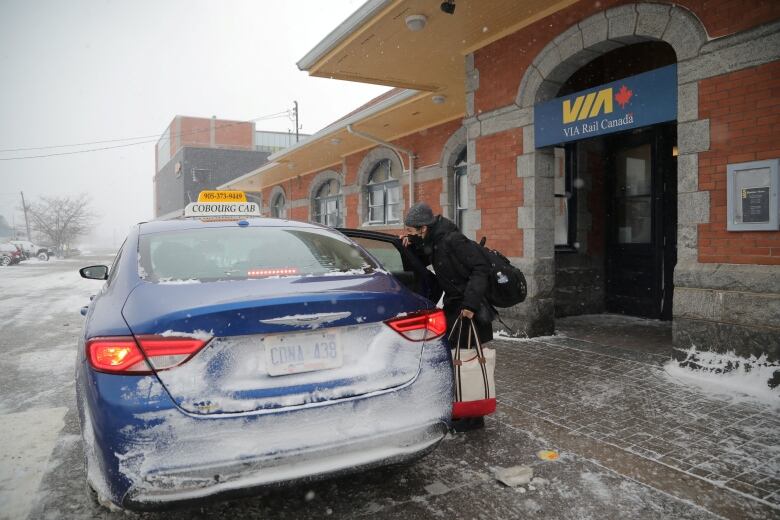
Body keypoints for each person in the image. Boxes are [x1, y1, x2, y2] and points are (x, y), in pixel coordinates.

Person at [401, 202, 494, 431]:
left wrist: (470, 304)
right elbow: (419, 266)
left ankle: (473, 416)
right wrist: (409, 246)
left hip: (470, 308)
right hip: (455, 307)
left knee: (468, 359)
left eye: (412, 231)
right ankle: (464, 408)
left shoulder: (452, 240)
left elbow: (481, 267)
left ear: (423, 228)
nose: (410, 234)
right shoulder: (433, 242)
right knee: (456, 359)